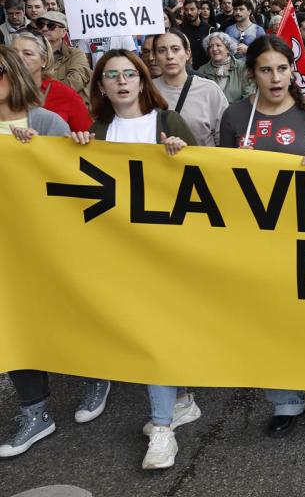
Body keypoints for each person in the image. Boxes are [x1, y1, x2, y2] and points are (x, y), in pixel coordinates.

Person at [68, 49, 202, 469]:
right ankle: (180, 401)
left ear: (143, 81)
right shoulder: (97, 132)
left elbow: (208, 179)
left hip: (170, 253)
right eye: (112, 75)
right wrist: (72, 150)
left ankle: (161, 428)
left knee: (155, 335)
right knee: (153, 332)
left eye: (130, 74)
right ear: (101, 86)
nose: (122, 81)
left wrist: (183, 154)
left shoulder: (167, 123)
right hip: (122, 255)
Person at [216, 36, 305, 436]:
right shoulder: (235, 116)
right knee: (268, 320)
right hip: (256, 238)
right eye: (265, 69)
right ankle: (284, 399)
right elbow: (221, 175)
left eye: (282, 68)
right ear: (251, 74)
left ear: (292, 71)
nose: (275, 77)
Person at [0, 47, 106, 461]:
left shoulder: (44, 121)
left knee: (70, 315)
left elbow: (76, 178)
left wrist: (58, 145)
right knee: (13, 327)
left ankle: (96, 374)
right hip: (8, 249)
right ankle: (35, 411)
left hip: (51, 246)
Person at [152, 29, 229, 147]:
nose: (169, 56)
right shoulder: (146, 90)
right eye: (162, 50)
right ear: (155, 57)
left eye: (175, 49)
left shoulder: (209, 90)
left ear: (188, 53)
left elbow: (224, 139)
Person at [9, 32, 91, 131]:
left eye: (27, 54)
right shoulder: (3, 92)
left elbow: (88, 135)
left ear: (44, 61)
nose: (18, 58)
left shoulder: (64, 94)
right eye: (13, 53)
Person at [35, 11, 91, 102]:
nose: (44, 29)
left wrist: (41, 93)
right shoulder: (32, 54)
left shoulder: (75, 54)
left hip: (69, 107)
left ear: (64, 32)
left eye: (51, 25)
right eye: (41, 25)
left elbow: (76, 81)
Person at [197, 32, 254, 104]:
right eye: (211, 46)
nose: (214, 49)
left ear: (228, 49)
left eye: (218, 45)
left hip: (238, 112)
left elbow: (249, 94)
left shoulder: (242, 67)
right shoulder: (202, 71)